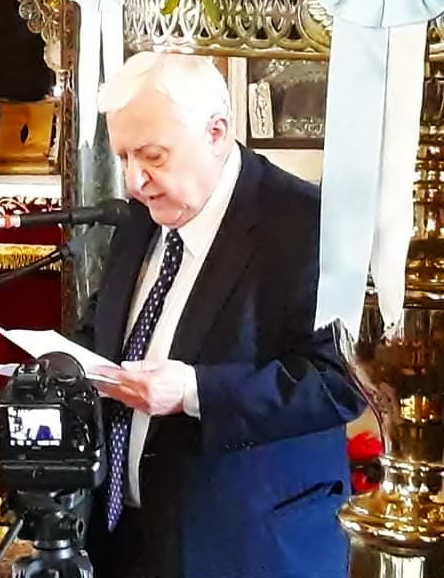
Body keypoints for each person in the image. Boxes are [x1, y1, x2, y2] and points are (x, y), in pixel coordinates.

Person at [75, 52, 366, 578]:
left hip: (247, 547)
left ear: (216, 132)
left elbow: (338, 382)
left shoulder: (307, 225)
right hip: (123, 541)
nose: (135, 181)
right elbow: (106, 329)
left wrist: (193, 391)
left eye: (153, 155)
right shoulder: (144, 214)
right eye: (123, 158)